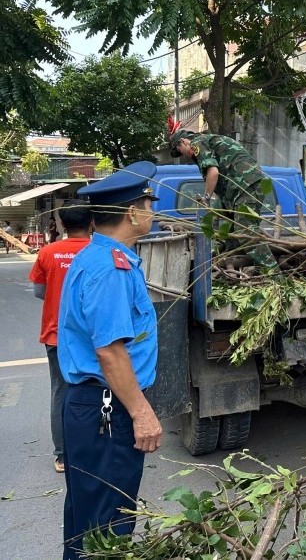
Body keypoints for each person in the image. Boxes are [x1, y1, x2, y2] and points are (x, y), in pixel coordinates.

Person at [58, 161, 163, 560]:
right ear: (133, 213)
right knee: (108, 524)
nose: (153, 212)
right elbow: (110, 351)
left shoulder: (100, 257)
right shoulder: (110, 269)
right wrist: (141, 413)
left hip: (94, 406)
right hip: (107, 408)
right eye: (149, 205)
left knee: (89, 519)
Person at [28, 201, 92, 474]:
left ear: (62, 225)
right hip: (93, 336)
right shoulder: (99, 252)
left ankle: (63, 456)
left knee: (61, 392)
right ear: (92, 223)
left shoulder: (47, 252)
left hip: (56, 336)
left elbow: (39, 292)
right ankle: (96, 449)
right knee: (101, 391)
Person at [169, 129, 278, 272]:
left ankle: (275, 273)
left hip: (245, 185)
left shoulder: (198, 143)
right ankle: (231, 265)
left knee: (245, 231)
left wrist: (206, 198)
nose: (183, 155)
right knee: (230, 232)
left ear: (184, 141)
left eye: (179, 149)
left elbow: (213, 172)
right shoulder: (208, 141)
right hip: (236, 190)